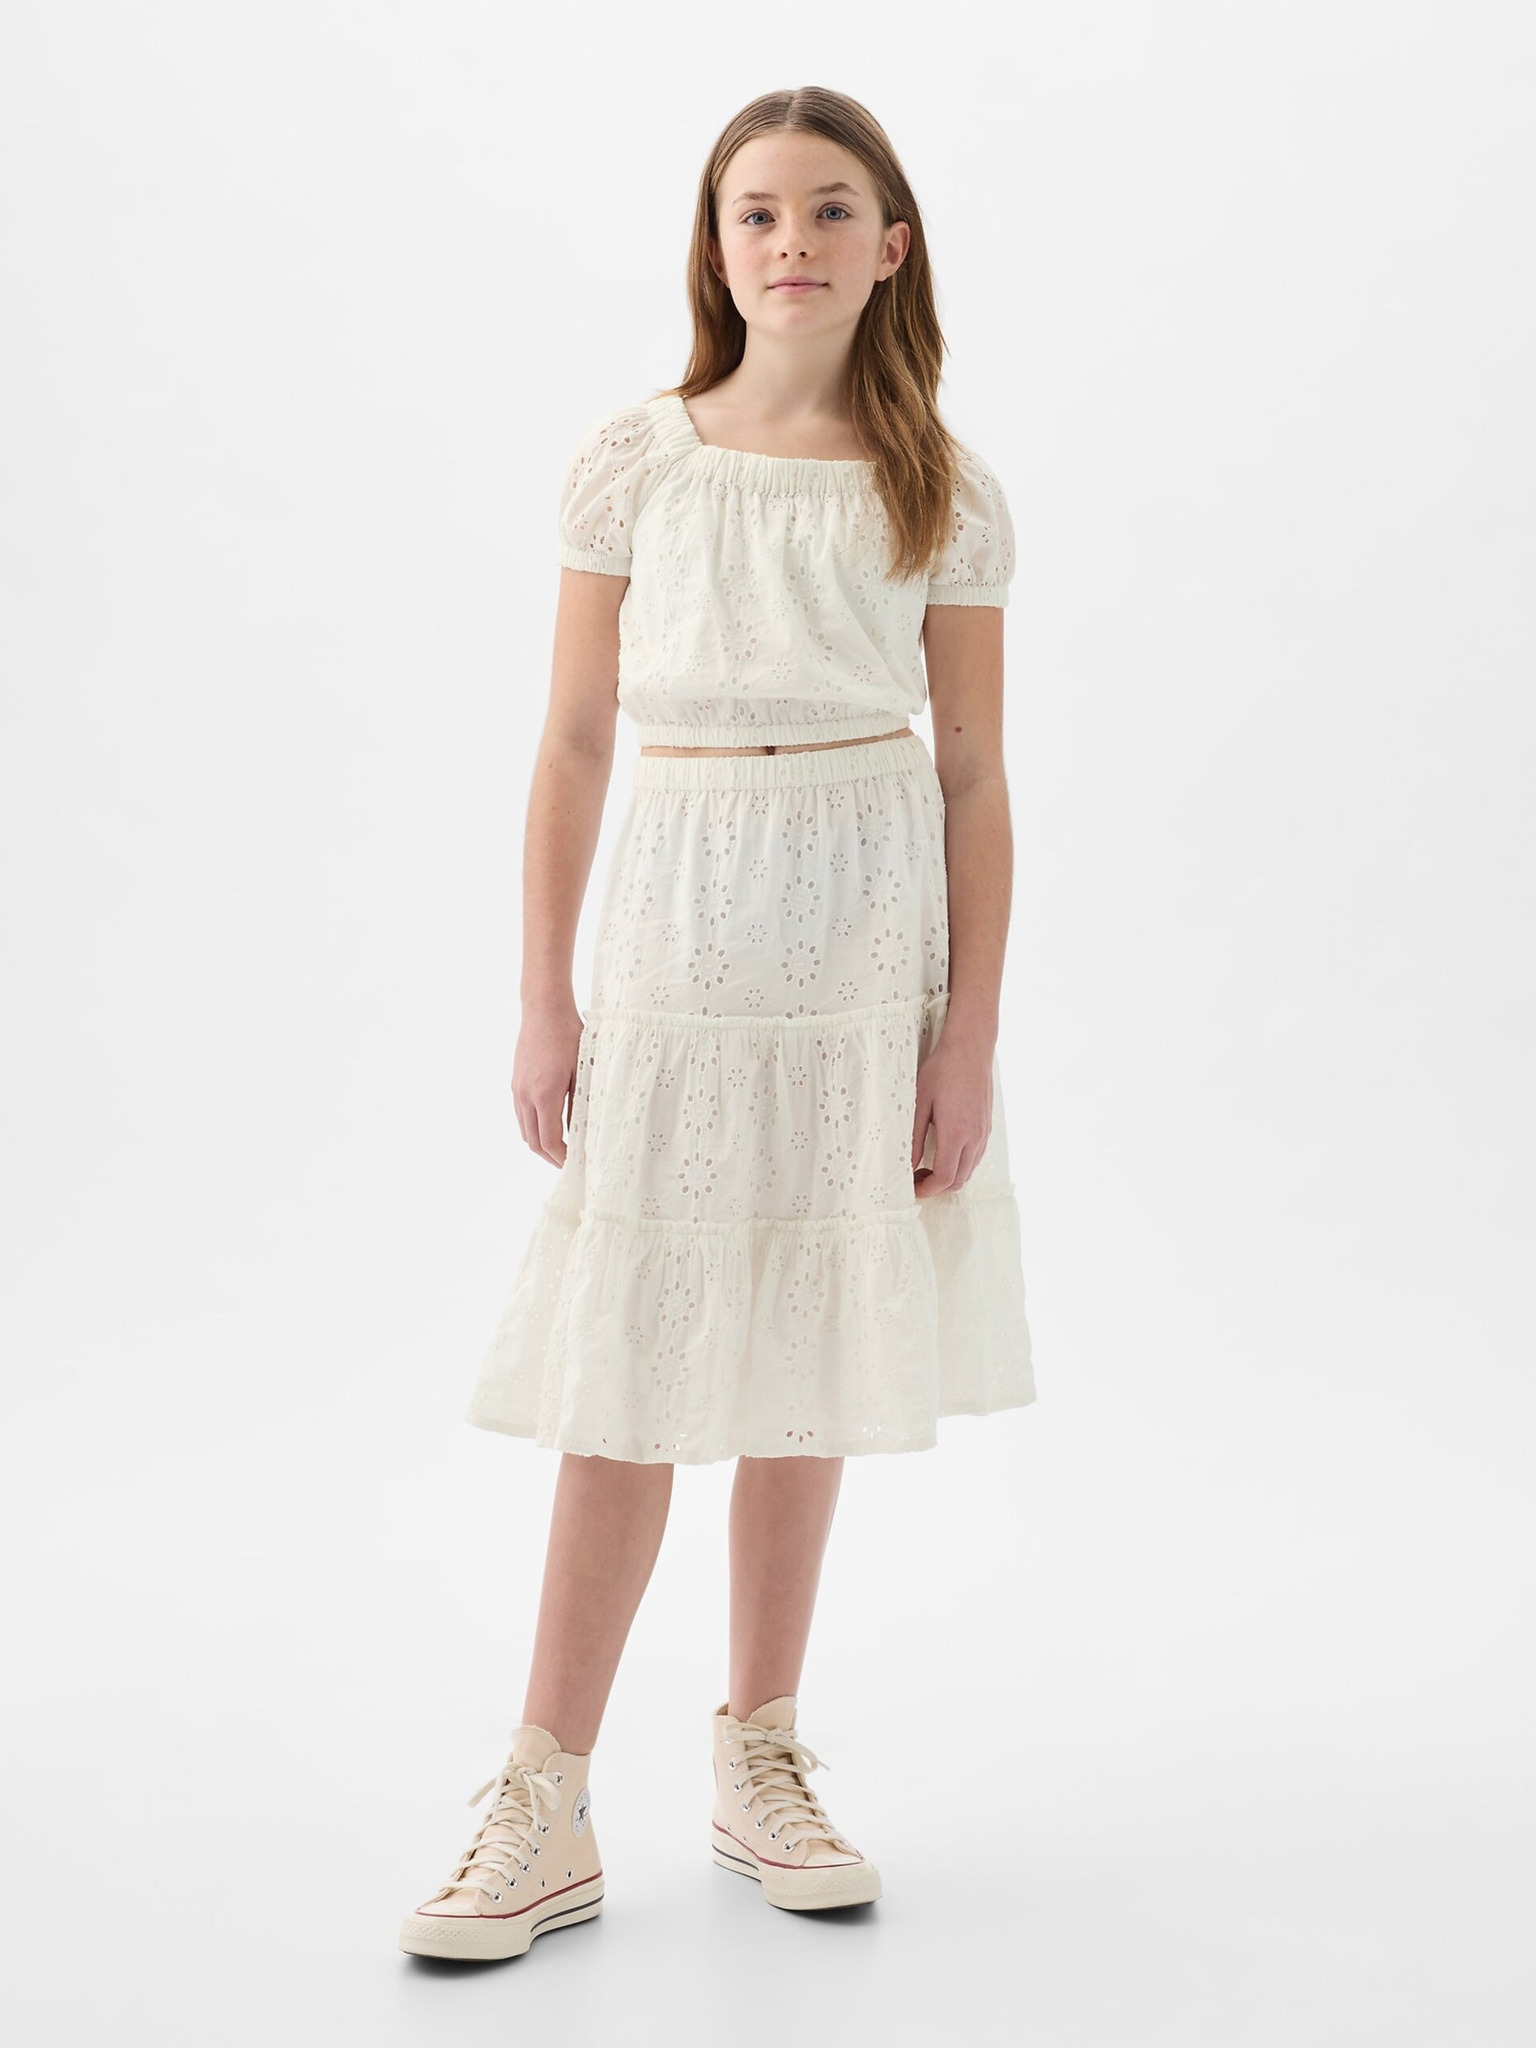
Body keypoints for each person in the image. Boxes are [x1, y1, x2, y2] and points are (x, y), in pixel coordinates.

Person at [399, 84, 1036, 1965]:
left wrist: (967, 1039)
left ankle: (761, 1752)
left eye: (831, 211)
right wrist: (545, 993)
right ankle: (543, 1794)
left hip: (864, 952)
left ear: (892, 248)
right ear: (716, 246)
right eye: (756, 212)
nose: (792, 243)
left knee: (808, 1345)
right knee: (634, 1359)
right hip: (678, 937)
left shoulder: (942, 484)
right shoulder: (638, 462)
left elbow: (976, 775)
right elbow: (573, 739)